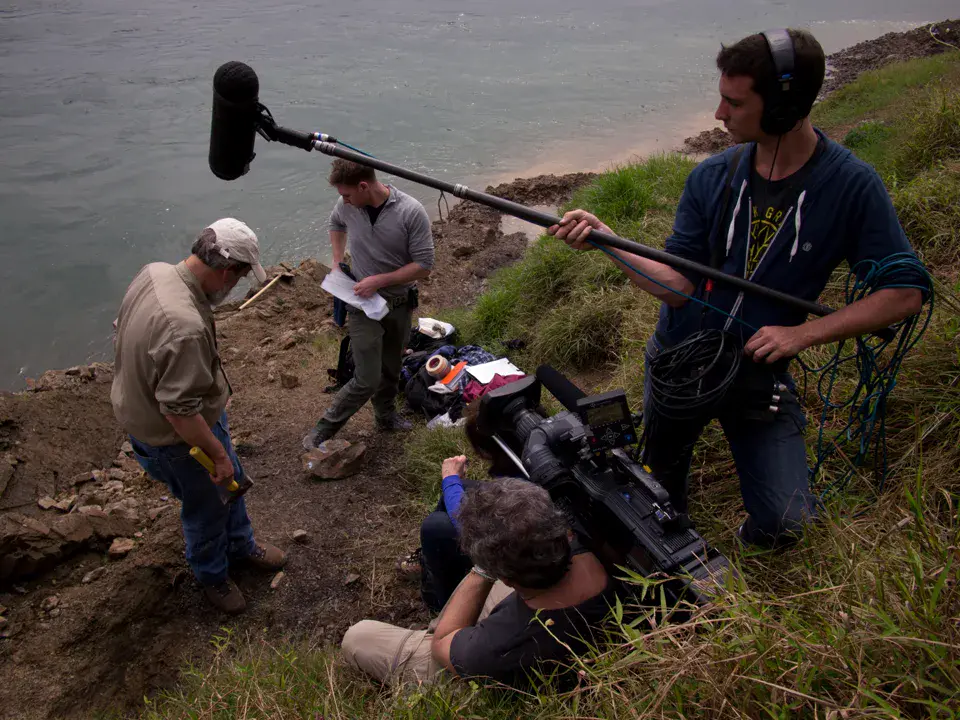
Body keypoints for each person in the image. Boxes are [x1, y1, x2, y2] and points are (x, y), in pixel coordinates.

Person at [548, 29, 926, 547]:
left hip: (759, 379)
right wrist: (611, 243)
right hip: (678, 368)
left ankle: (751, 538)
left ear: (782, 107)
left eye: (734, 101)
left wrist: (803, 336)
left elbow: (904, 294)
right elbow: (679, 288)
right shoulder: (711, 177)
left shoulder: (852, 186)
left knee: (786, 523)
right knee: (653, 501)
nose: (719, 114)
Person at [111, 218, 286, 614]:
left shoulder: (154, 272)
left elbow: (119, 324)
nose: (235, 287)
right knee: (206, 506)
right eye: (239, 278)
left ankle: (241, 545)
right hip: (177, 440)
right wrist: (217, 455)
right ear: (226, 271)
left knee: (232, 483)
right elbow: (179, 412)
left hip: (168, 417)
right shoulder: (184, 327)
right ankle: (213, 575)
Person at [342, 478, 617, 689]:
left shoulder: (495, 649)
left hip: (479, 663)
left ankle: (435, 621)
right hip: (551, 607)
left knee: (358, 637)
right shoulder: (592, 546)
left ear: (505, 577)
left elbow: (442, 643)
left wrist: (482, 570)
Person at [303, 159, 435, 449]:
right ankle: (323, 430)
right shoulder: (347, 205)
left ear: (364, 186)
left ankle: (385, 416)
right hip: (361, 303)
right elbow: (336, 223)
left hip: (399, 303)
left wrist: (379, 280)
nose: (343, 201)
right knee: (367, 378)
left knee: (391, 366)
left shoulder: (410, 212)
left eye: (347, 195)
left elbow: (424, 266)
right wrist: (338, 261)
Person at [398, 400, 527, 613]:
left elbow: (475, 529)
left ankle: (443, 604)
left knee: (435, 527)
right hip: (522, 523)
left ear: (485, 451)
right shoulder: (537, 456)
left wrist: (450, 478)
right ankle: (431, 562)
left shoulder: (525, 488)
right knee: (461, 488)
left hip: (518, 554)